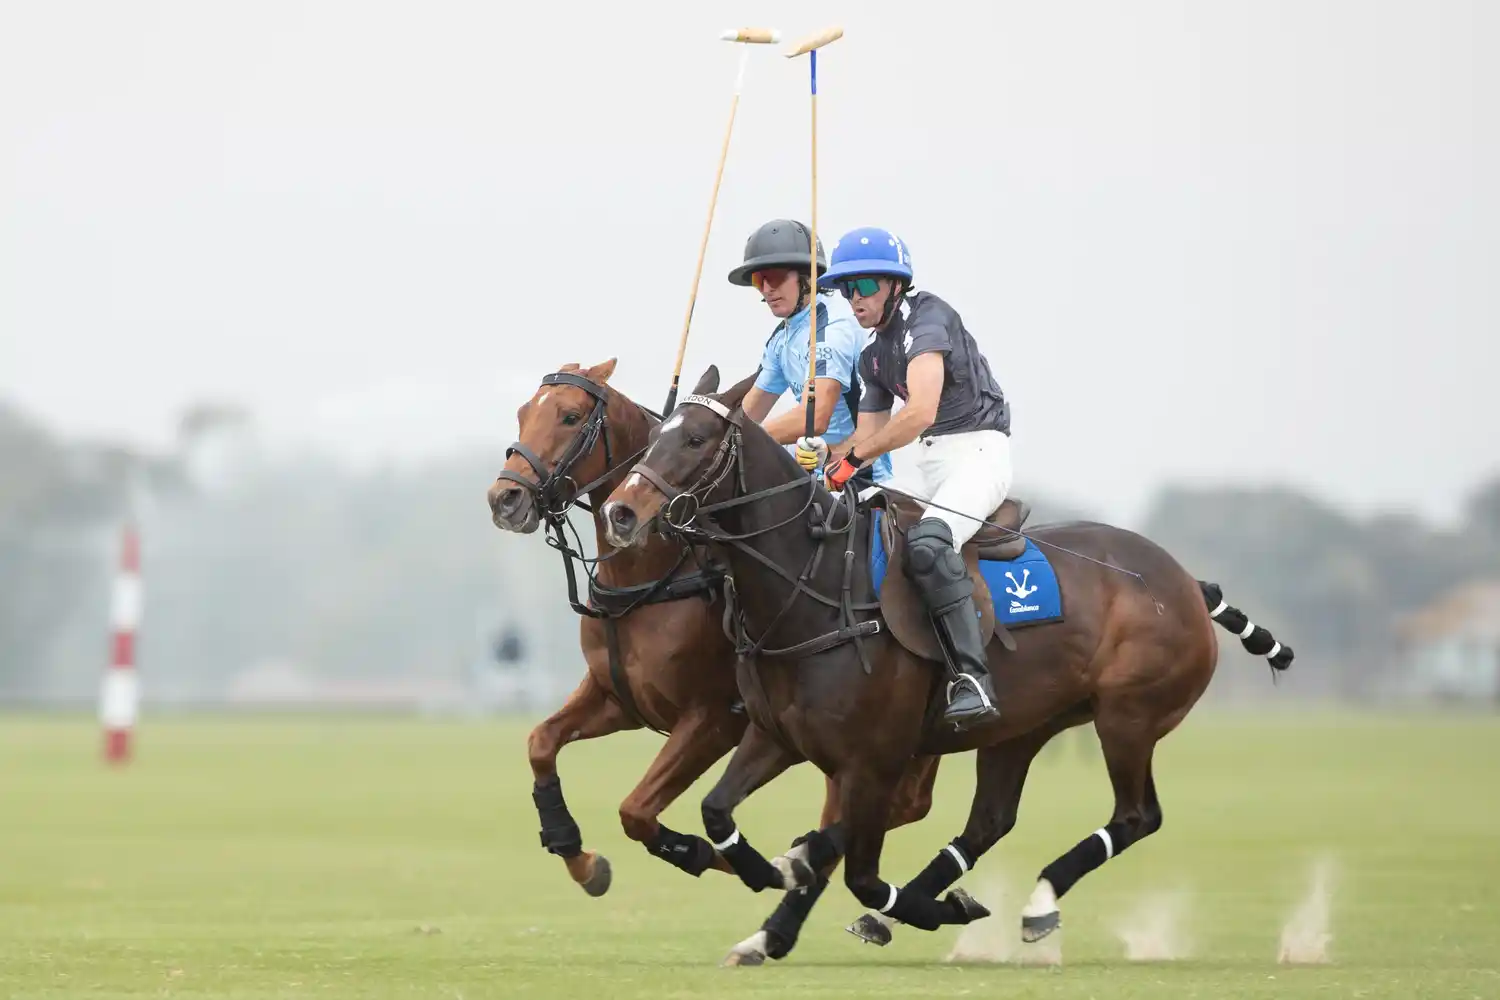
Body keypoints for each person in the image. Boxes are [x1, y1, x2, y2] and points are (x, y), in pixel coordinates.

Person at [816, 226, 1012, 731]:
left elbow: (920, 411)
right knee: (846, 523)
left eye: (862, 287)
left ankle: (972, 678)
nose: (852, 300)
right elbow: (865, 437)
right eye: (843, 289)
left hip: (977, 453)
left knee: (926, 545)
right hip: (923, 466)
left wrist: (852, 457)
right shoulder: (871, 356)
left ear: (893, 284)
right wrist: (822, 460)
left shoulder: (929, 317)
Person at [727, 219, 894, 489]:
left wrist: (740, 441)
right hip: (809, 475)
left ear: (807, 276)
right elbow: (748, 414)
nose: (768, 289)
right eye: (760, 280)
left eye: (777, 277)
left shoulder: (832, 328)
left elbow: (814, 418)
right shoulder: (781, 337)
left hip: (856, 480)